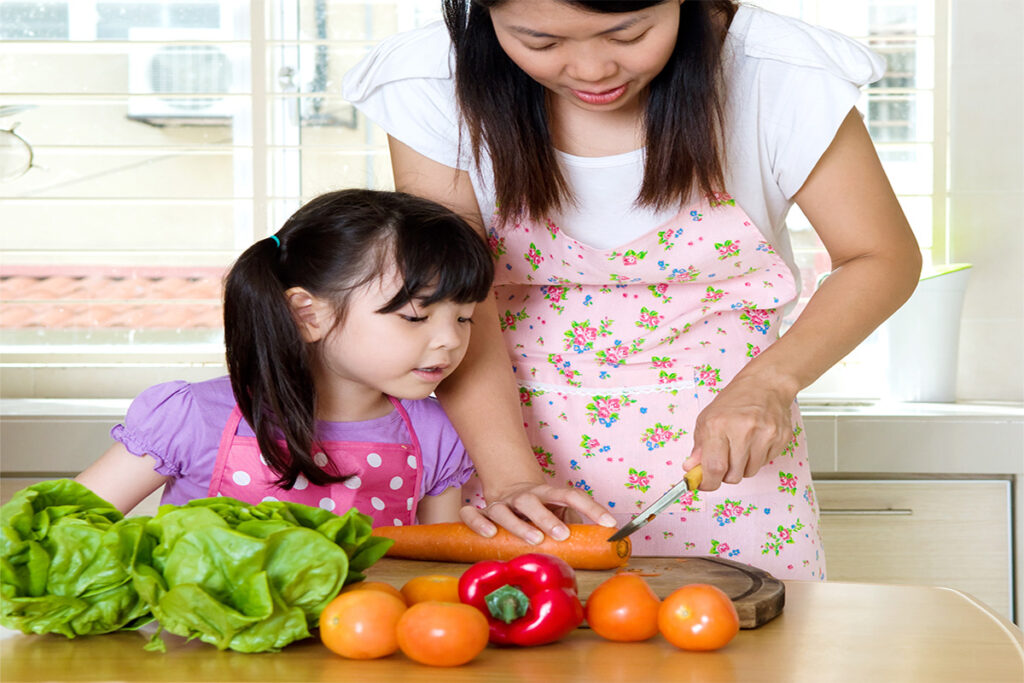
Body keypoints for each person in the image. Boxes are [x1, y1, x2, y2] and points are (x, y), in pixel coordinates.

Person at [342, 0, 922, 579]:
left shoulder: (776, 73)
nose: (592, 70)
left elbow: (880, 256)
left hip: (725, 447)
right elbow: (458, 296)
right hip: (502, 432)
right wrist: (511, 475)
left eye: (628, 33)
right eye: (541, 42)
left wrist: (769, 382)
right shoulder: (431, 81)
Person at [76, 188, 495, 527]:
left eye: (464, 317)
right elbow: (66, 527)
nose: (450, 340)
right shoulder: (192, 417)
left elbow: (438, 571)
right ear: (307, 314)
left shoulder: (438, 433)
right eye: (415, 316)